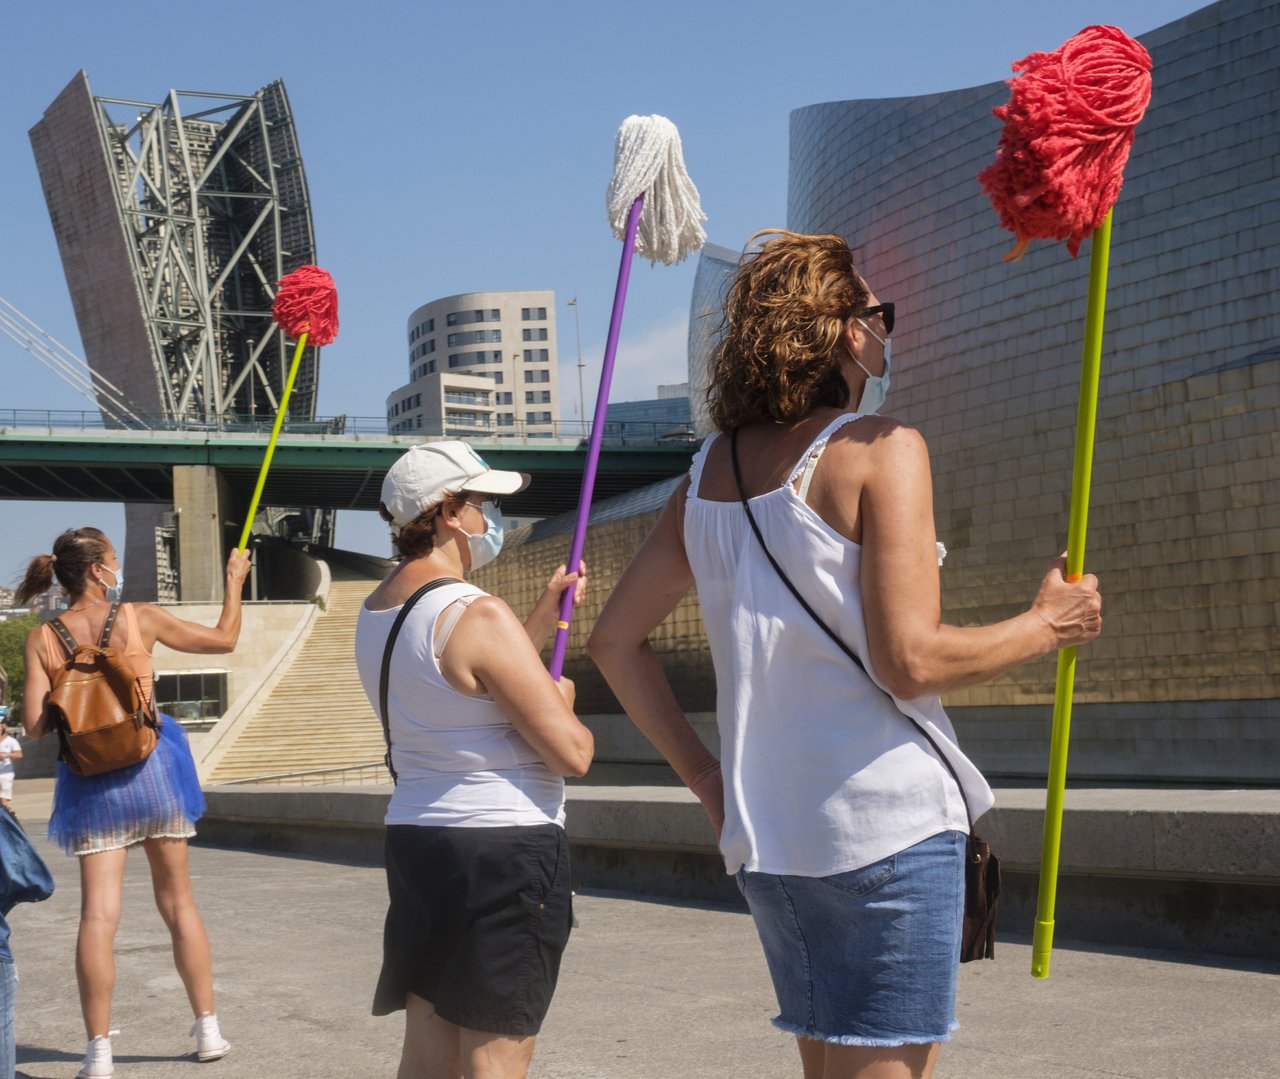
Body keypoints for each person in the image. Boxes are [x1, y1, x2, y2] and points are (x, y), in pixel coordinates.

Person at [588, 230, 1103, 1079]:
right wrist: (1047, 625)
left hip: (773, 838)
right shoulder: (883, 448)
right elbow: (910, 661)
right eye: (879, 314)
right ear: (842, 332)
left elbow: (613, 639)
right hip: (887, 827)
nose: (887, 332)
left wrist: (709, 780)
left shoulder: (707, 475)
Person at [353, 441, 594, 1079]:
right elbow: (572, 754)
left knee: (427, 1048)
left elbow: (457, 685)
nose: (491, 519)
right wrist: (561, 700)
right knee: (495, 1054)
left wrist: (542, 613)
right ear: (449, 513)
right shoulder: (476, 612)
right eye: (483, 504)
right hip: (503, 850)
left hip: (418, 842)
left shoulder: (375, 611)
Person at [16, 527, 250, 1078]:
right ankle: (208, 1029)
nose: (117, 568)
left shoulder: (42, 637)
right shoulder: (138, 616)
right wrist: (233, 583)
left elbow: (33, 725)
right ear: (98, 570)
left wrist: (71, 695)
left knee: (98, 916)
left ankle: (98, 1053)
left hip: (92, 784)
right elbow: (224, 640)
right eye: (114, 560)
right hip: (155, 774)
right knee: (178, 906)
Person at [0, 726, 21, 816]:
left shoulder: (11, 741)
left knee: (3, 798)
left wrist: (7, 755)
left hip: (6, 774)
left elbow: (19, 754)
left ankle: (4, 818)